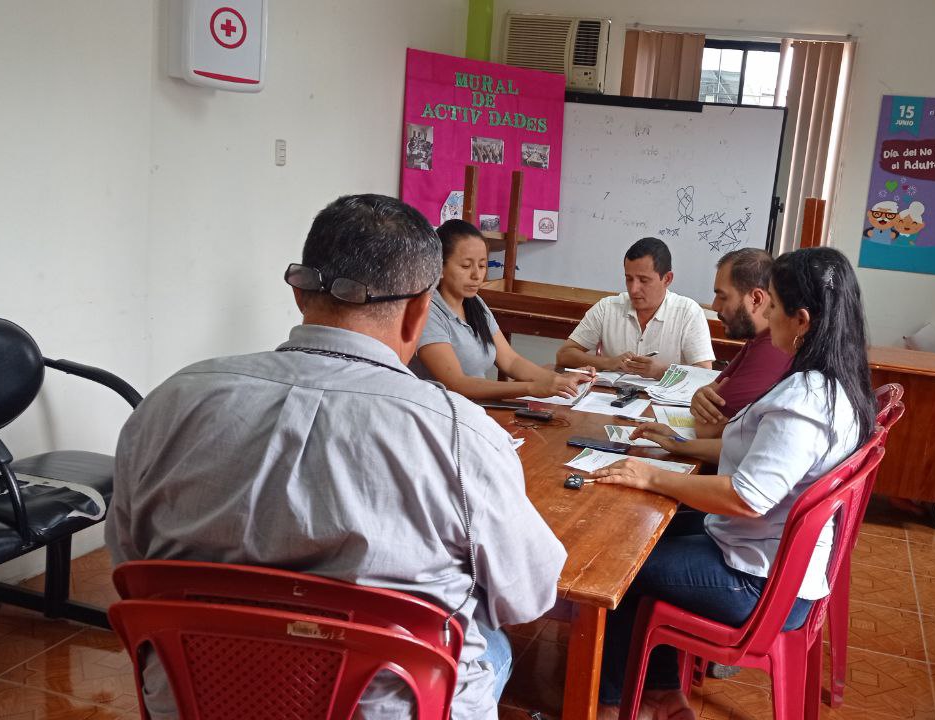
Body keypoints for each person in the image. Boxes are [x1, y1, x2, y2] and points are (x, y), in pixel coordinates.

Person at [107, 194, 566, 720]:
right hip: (392, 708)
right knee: (494, 643)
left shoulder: (169, 402)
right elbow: (527, 597)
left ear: (300, 293)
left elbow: (129, 566)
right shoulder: (458, 433)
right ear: (419, 314)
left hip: (197, 700)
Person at [589, 247, 877, 720]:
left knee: (619, 564)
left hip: (757, 583)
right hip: (766, 559)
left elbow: (745, 497)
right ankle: (659, 692)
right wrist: (679, 449)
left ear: (801, 320)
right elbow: (756, 459)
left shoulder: (804, 401)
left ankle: (611, 702)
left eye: (774, 307)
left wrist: (652, 475)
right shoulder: (834, 383)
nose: (766, 315)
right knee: (644, 532)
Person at [410, 219, 594, 400]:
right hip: (443, 412)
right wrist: (531, 388)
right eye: (466, 266)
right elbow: (457, 384)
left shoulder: (475, 303)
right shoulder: (427, 312)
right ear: (439, 267)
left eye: (482, 265)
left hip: (474, 408)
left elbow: (511, 361)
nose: (477, 275)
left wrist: (560, 380)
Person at [556, 237, 714, 380]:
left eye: (643, 280)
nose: (633, 289)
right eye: (629, 279)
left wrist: (662, 371)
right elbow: (564, 355)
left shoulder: (688, 312)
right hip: (610, 397)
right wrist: (609, 362)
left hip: (663, 400)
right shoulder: (607, 308)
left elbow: (704, 373)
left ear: (667, 279)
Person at [690, 248, 792, 439]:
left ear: (756, 299)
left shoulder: (773, 347)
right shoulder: (756, 339)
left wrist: (702, 405)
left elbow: (707, 430)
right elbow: (710, 390)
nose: (715, 306)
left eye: (723, 296)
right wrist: (699, 397)